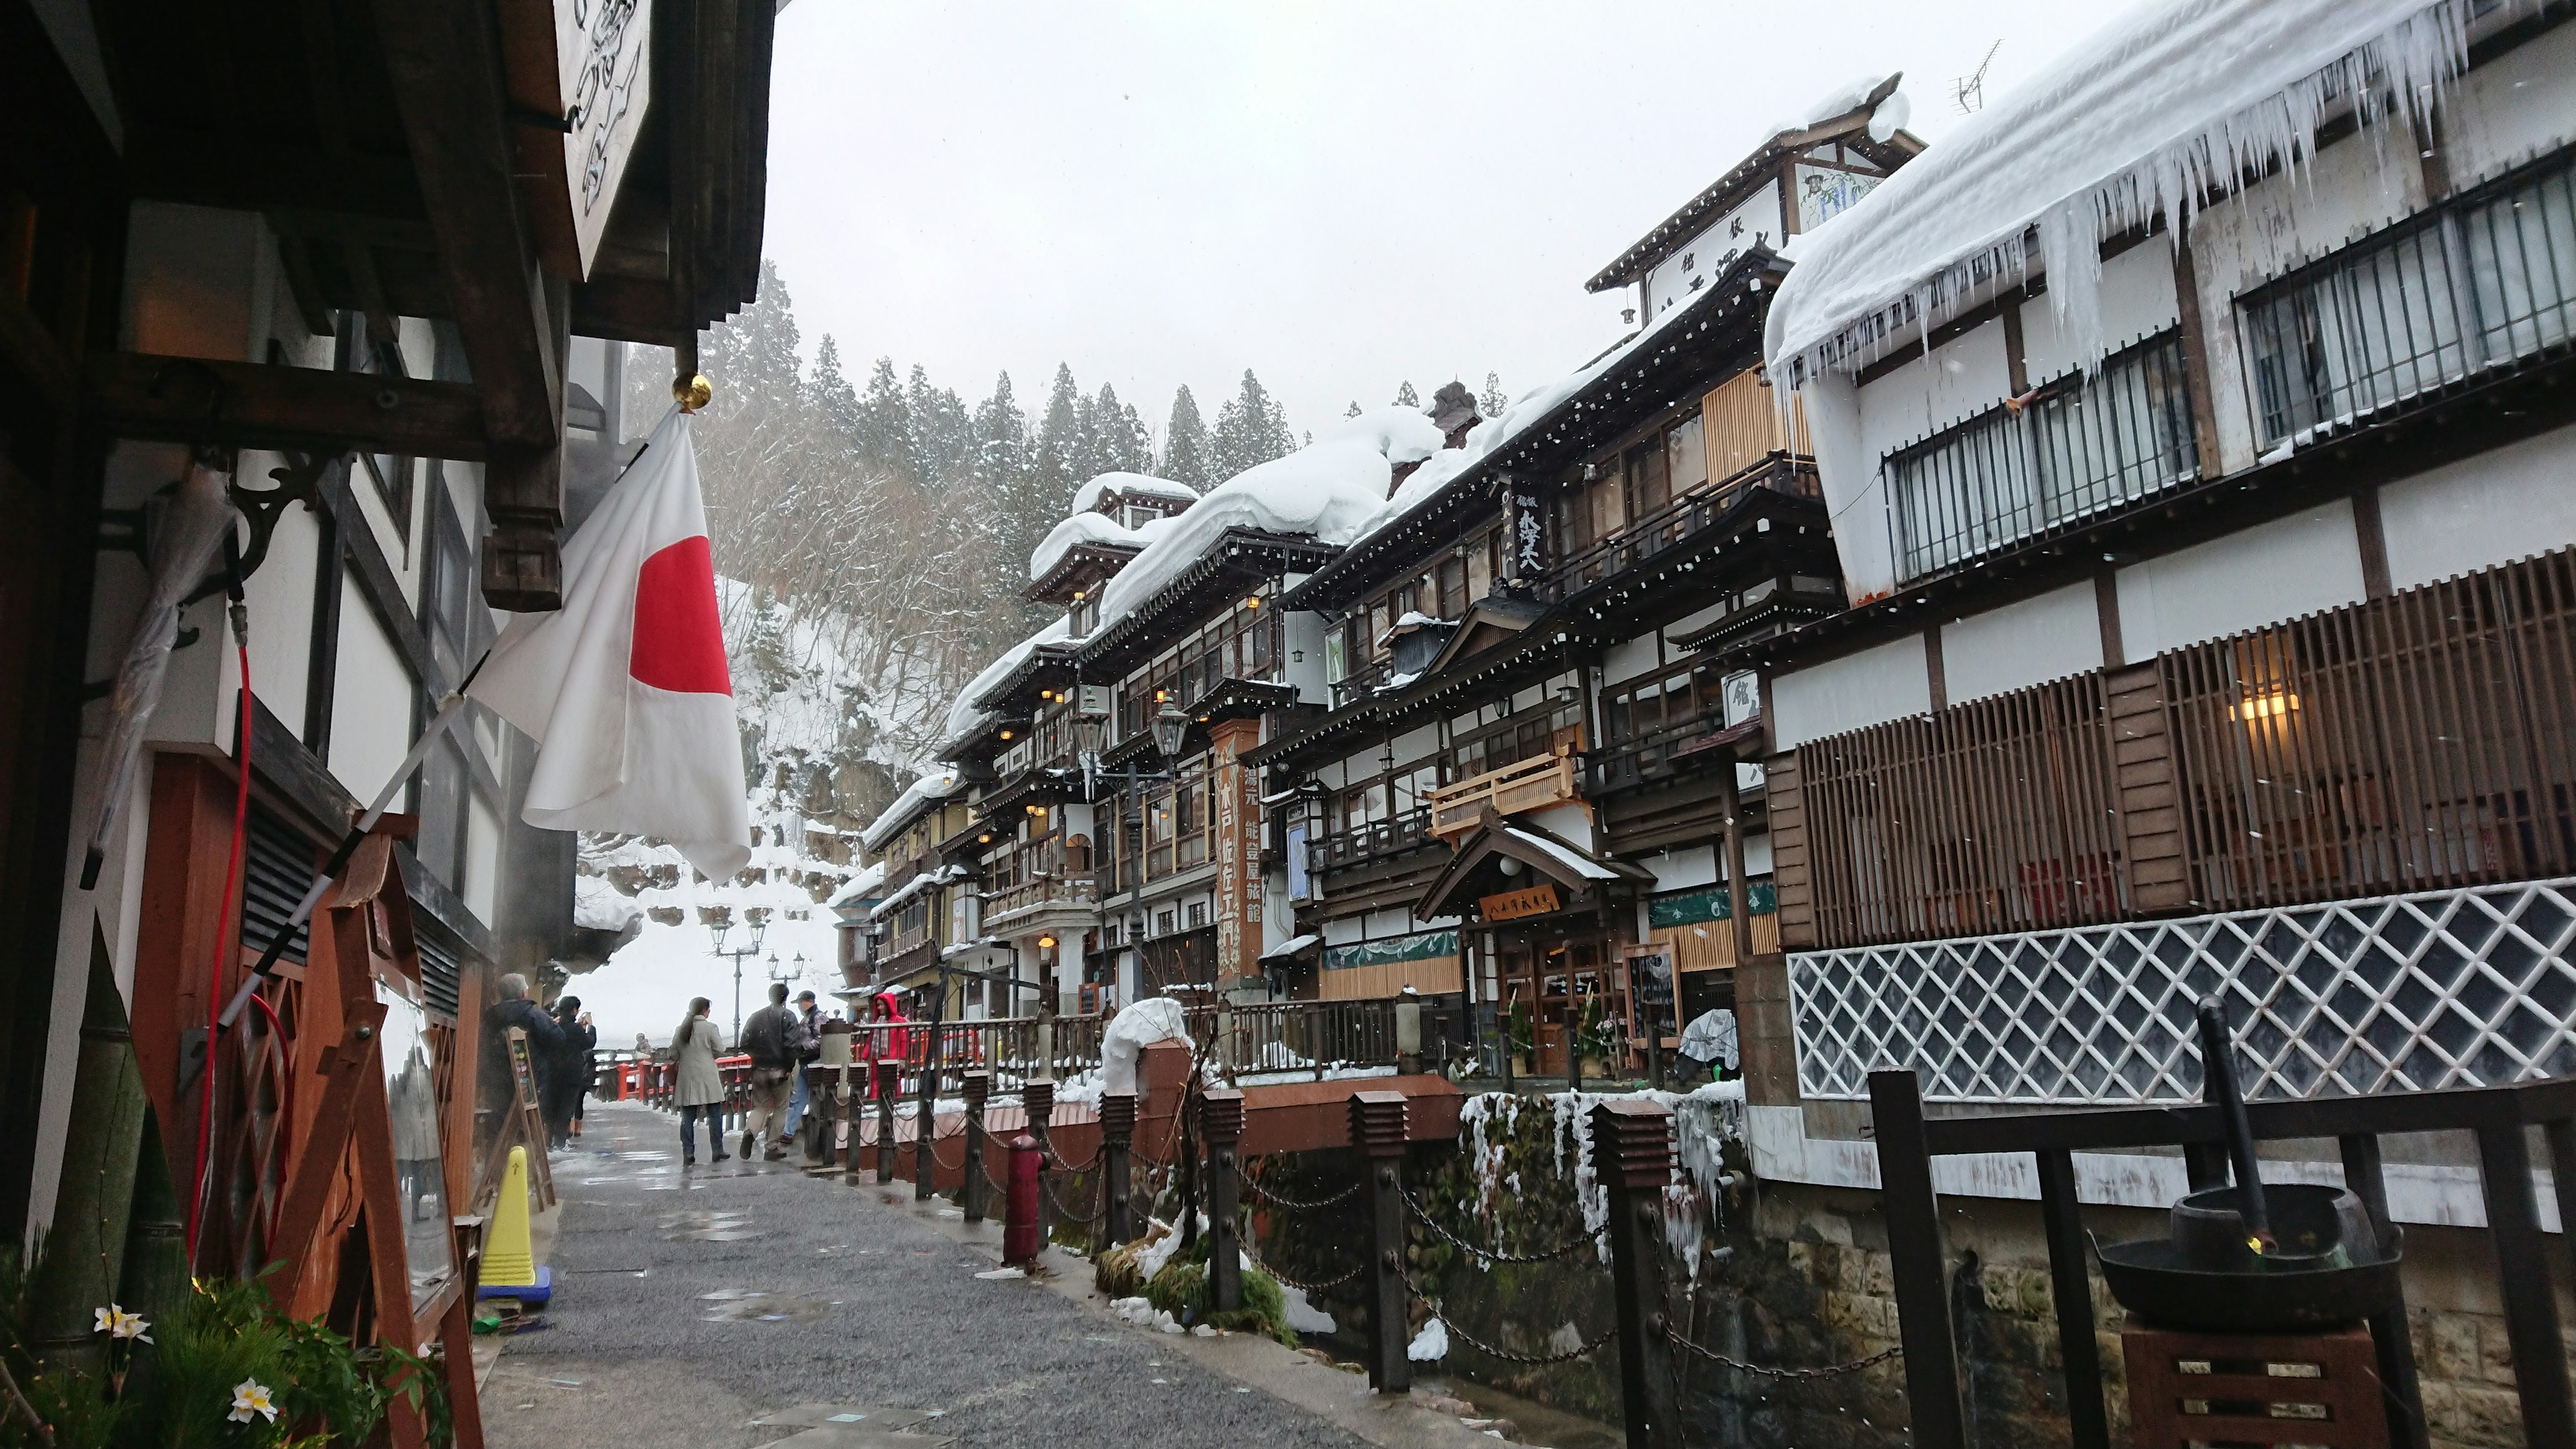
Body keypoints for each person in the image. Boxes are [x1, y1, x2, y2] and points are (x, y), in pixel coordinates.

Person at [479, 973, 564, 1150]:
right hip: (530, 1084)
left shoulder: (489, 1019)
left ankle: (500, 1171)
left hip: (498, 1086)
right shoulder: (533, 1016)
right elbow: (558, 1039)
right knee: (528, 1134)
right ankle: (526, 1170)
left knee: (500, 1134)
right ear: (524, 994)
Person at [738, 981, 797, 1160]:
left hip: (759, 1070)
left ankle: (750, 1132)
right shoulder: (788, 1016)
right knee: (781, 1108)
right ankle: (772, 1147)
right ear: (785, 998)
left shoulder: (756, 1017)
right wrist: (788, 1067)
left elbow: (744, 1044)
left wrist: (757, 1056)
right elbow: (792, 1045)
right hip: (780, 1070)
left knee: (760, 1107)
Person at [672, 996, 729, 1166]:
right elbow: (720, 1049)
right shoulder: (710, 1028)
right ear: (705, 1011)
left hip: (687, 1076)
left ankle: (688, 1152)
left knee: (688, 1117)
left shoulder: (681, 1029)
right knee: (715, 1114)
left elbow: (673, 1053)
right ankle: (717, 1150)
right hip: (708, 1075)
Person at [543, 996, 596, 1147]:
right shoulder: (575, 1030)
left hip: (552, 1073)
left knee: (551, 1108)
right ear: (574, 1011)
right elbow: (589, 1042)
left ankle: (548, 1143)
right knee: (565, 1109)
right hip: (571, 1074)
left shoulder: (554, 1027)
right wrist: (591, 1026)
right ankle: (560, 1143)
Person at [780, 989, 823, 1146]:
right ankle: (788, 1132)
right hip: (806, 1063)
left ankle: (791, 1132)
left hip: (814, 1062)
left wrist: (803, 1048)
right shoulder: (808, 1018)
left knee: (809, 1098)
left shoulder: (817, 1018)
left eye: (801, 1003)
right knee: (798, 1099)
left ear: (809, 1001)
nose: (799, 1006)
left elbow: (821, 1040)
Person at [860, 989, 908, 1098]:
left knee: (892, 1081)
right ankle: (875, 1101)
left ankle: (893, 1100)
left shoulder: (899, 1021)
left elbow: (904, 1041)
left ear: (888, 1005)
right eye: (878, 1005)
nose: (879, 1008)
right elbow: (870, 1041)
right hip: (877, 1057)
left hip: (892, 1057)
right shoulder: (877, 1022)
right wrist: (865, 1056)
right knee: (876, 1080)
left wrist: (903, 1058)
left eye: (882, 1005)